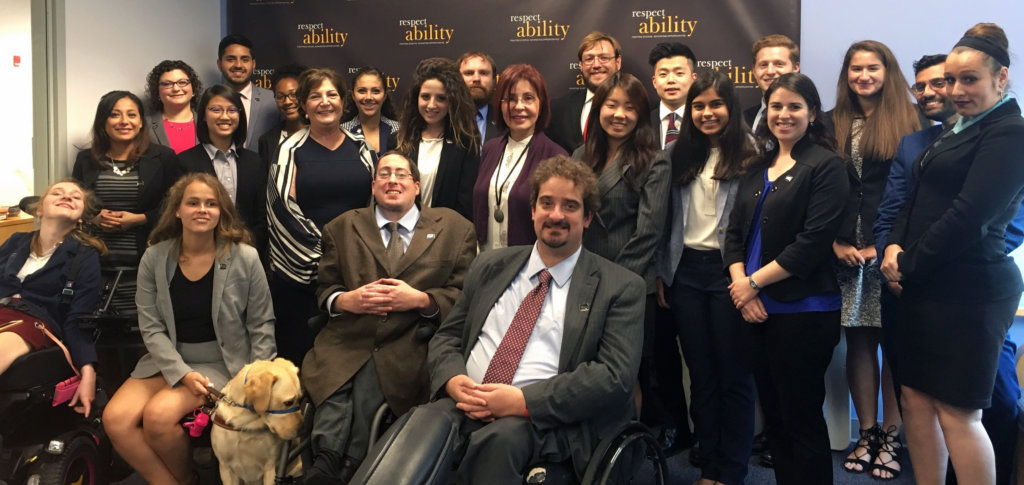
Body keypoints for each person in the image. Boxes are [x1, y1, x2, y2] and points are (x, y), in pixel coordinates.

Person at [361, 155, 645, 484]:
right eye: (547, 203)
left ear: (588, 217)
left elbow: (614, 377)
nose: (556, 214)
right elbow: (447, 338)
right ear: (532, 211)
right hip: (464, 402)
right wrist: (453, 379)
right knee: (420, 425)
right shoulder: (490, 266)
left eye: (569, 206)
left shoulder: (620, 287)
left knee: (499, 441)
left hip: (545, 420)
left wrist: (523, 402)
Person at [880, 23, 1024, 485]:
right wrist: (895, 246)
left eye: (970, 80)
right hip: (924, 288)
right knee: (916, 401)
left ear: (1001, 78)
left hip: (969, 291)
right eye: (951, 80)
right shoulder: (955, 128)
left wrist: (906, 266)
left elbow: (969, 217)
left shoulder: (1010, 132)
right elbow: (913, 194)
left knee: (959, 414)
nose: (957, 90)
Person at [301, 152, 477, 485]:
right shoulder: (342, 227)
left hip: (411, 337)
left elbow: (464, 298)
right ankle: (328, 463)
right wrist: (345, 300)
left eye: (400, 174)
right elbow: (326, 288)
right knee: (337, 377)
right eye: (384, 174)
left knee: (374, 370)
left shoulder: (455, 229)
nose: (392, 180)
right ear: (373, 186)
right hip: (349, 334)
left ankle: (342, 464)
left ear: (416, 186)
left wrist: (423, 300)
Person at [102, 173, 276, 485]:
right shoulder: (154, 257)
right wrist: (181, 373)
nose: (202, 209)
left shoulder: (245, 257)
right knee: (115, 419)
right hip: (165, 361)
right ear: (177, 210)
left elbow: (262, 323)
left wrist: (254, 380)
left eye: (211, 204)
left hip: (223, 364)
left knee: (158, 418)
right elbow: (151, 327)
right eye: (193, 202)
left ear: (221, 211)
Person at [724, 72, 849, 485]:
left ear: (812, 113)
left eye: (795, 106)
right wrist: (743, 290)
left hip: (804, 312)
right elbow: (734, 236)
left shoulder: (827, 166)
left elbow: (811, 244)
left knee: (800, 419)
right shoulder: (755, 166)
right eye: (776, 106)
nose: (784, 114)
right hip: (755, 311)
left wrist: (752, 285)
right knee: (774, 418)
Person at [655, 71, 757, 485]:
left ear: (730, 109)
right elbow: (666, 222)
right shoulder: (678, 153)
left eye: (716, 104)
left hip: (730, 273)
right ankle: (709, 467)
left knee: (734, 376)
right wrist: (664, 274)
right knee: (700, 375)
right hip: (686, 274)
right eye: (699, 106)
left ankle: (731, 471)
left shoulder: (753, 154)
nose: (707, 112)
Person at [829, 40, 920, 479]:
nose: (863, 75)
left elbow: (913, 196)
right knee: (859, 342)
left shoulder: (911, 121)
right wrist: (834, 241)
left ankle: (890, 433)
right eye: (855, 68)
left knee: (892, 344)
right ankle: (865, 432)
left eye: (872, 68)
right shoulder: (831, 123)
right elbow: (822, 189)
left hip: (889, 252)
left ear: (889, 71)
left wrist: (883, 245)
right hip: (846, 252)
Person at [572, 71, 671, 442]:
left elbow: (648, 234)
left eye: (629, 107)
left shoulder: (653, 161)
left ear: (640, 114)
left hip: (628, 287)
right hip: (578, 281)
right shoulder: (580, 156)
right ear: (598, 108)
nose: (619, 114)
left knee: (624, 375)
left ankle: (623, 453)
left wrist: (609, 283)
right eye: (611, 104)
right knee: (581, 369)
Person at [266, 67, 376, 364]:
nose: (325, 102)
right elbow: (281, 207)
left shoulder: (362, 147)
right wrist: (329, 257)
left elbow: (374, 204)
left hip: (358, 270)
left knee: (353, 356)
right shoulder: (290, 149)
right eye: (315, 96)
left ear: (344, 101)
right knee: (304, 356)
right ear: (303, 104)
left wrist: (358, 255)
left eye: (332, 94)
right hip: (305, 278)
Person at [0, 180, 106, 417]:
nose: (67, 197)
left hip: (34, 323)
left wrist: (88, 371)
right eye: (57, 193)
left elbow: (79, 319)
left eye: (76, 197)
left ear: (81, 217)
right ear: (39, 209)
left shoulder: (84, 257)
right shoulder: (15, 242)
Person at [72, 90, 182, 316]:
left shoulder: (164, 157)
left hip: (145, 264)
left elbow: (177, 206)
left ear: (141, 121)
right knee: (100, 334)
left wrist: (140, 219)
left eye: (132, 115)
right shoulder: (86, 160)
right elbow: (75, 203)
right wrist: (94, 217)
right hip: (97, 265)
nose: (124, 121)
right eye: (115, 115)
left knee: (144, 332)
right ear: (103, 122)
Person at [474, 64, 566, 251]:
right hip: (485, 260)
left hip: (528, 264)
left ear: (541, 104)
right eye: (510, 99)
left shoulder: (556, 157)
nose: (519, 106)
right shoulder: (490, 149)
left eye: (528, 98)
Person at [177, 84, 268, 256]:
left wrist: (249, 246)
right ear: (203, 115)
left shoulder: (254, 162)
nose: (225, 116)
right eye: (216, 110)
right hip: (198, 254)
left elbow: (261, 218)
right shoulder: (184, 162)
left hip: (246, 254)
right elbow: (179, 215)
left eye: (232, 110)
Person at [395, 57, 480, 222]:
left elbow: (465, 205)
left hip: (446, 235)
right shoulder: (399, 140)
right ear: (416, 98)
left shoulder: (465, 144)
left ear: (452, 101)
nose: (431, 105)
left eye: (441, 98)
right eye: (425, 97)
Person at [548, 31, 623, 154]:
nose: (596, 65)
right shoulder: (558, 109)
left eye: (604, 58)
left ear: (618, 62)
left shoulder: (636, 107)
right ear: (581, 65)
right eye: (589, 59)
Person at [217, 34, 279, 149]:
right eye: (231, 59)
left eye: (245, 59)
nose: (238, 65)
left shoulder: (273, 100)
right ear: (219, 64)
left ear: (253, 64)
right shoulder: (208, 102)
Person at [144, 60, 202, 153]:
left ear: (193, 88)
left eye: (182, 82)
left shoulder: (207, 123)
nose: (176, 89)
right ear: (157, 91)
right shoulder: (145, 126)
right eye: (167, 84)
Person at [743, 35, 800, 130]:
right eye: (763, 65)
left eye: (779, 64)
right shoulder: (743, 119)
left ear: (795, 68)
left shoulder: (810, 119)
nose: (770, 71)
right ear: (754, 71)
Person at [340, 66, 399, 156]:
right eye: (362, 91)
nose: (368, 97)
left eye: (375, 91)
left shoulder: (399, 131)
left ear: (384, 96)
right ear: (353, 96)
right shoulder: (343, 132)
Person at [648, 42, 698, 148]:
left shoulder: (702, 120)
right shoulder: (642, 122)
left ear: (693, 79)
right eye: (663, 74)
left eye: (679, 73)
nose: (670, 80)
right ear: (654, 81)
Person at [257, 64, 308, 167]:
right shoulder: (267, 141)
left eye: (294, 95)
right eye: (280, 97)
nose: (287, 101)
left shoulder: (321, 134)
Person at [458, 51, 500, 143]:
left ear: (494, 80)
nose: (476, 78)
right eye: (469, 73)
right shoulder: (443, 119)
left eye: (484, 73)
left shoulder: (505, 120)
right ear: (457, 79)